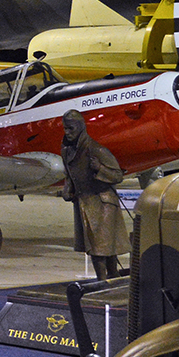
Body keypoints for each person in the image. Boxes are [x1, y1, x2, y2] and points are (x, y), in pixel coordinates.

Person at [60, 110, 130, 279]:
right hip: (84, 203)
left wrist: (100, 168)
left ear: (80, 127)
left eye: (71, 128)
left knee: (101, 248)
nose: (67, 132)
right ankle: (107, 280)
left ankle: (105, 281)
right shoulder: (67, 151)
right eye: (65, 128)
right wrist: (68, 189)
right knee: (97, 246)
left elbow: (117, 176)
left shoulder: (96, 150)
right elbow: (70, 176)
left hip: (102, 202)